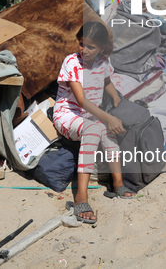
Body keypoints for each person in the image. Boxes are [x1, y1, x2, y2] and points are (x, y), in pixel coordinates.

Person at [53, 22, 136, 224]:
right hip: (68, 115)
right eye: (82, 44)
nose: (84, 50)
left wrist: (117, 102)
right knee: (94, 129)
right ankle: (81, 196)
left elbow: (107, 82)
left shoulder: (103, 63)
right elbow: (81, 101)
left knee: (108, 131)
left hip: (90, 116)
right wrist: (108, 117)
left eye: (91, 47)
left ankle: (118, 183)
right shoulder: (72, 62)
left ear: (101, 48)